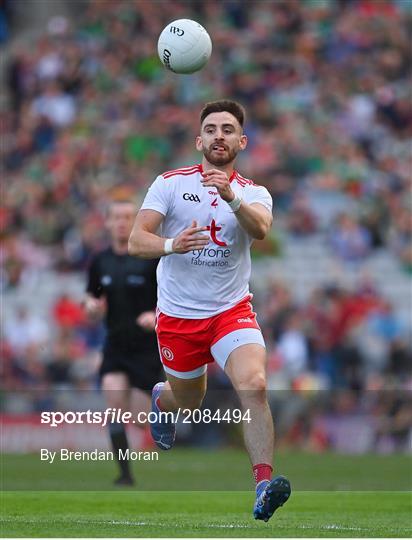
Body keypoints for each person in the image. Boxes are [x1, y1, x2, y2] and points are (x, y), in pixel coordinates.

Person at [128, 100, 291, 521]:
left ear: (242, 140)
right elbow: (135, 240)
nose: (220, 135)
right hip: (180, 317)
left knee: (254, 384)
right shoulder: (168, 183)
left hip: (230, 312)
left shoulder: (254, 193)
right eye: (212, 128)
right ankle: (164, 401)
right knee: (190, 402)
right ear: (199, 139)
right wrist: (170, 244)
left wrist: (231, 197)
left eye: (228, 128)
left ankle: (262, 485)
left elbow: (261, 230)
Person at [84, 199, 163, 486]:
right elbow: (91, 295)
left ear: (135, 221)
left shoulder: (149, 258)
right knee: (114, 405)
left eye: (127, 217)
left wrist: (155, 315)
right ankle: (125, 474)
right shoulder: (99, 261)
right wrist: (91, 306)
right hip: (115, 345)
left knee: (142, 421)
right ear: (107, 222)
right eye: (116, 217)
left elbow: (170, 296)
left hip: (145, 348)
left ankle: (162, 406)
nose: (121, 222)